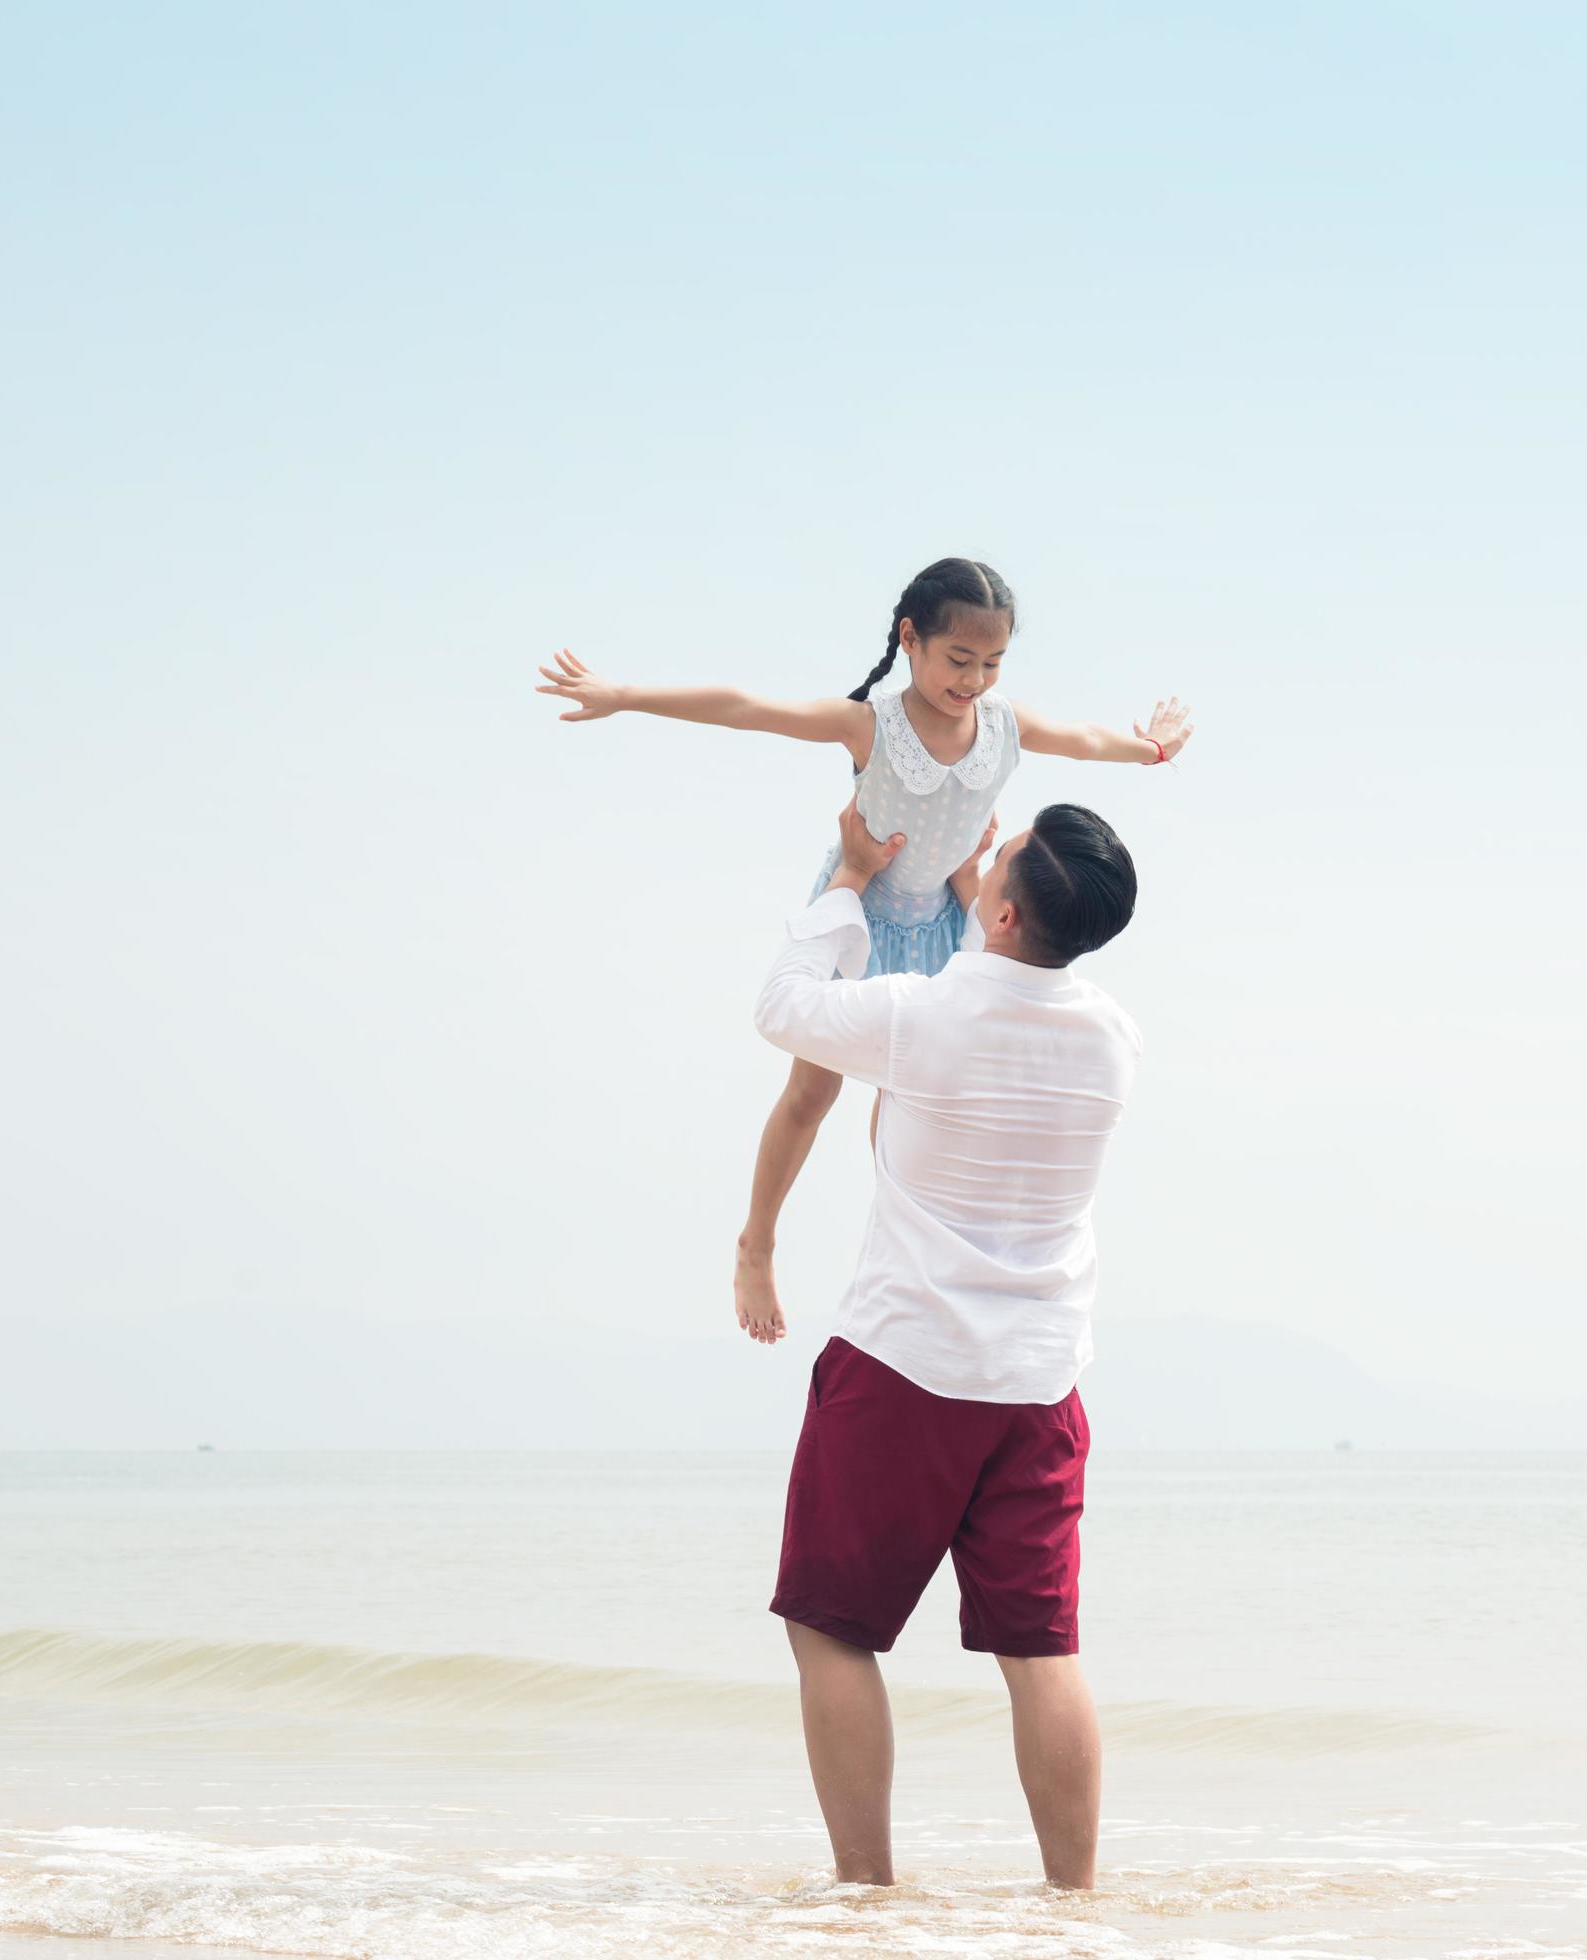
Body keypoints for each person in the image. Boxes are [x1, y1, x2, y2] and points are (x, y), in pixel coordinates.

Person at [534, 557, 1188, 1344]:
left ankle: (918, 1267)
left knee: (911, 1105)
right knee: (813, 1095)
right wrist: (625, 697)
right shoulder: (872, 724)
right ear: (910, 640)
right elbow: (749, 709)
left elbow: (1084, 741)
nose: (975, 679)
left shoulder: (1005, 726)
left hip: (950, 915)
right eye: (958, 659)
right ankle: (758, 1241)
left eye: (992, 663)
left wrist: (1148, 751)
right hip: (863, 907)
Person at [749, 793, 1146, 1891]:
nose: (991, 850)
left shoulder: (916, 1016)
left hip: (905, 1365)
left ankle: (866, 1893)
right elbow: (1010, 967)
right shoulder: (1113, 1037)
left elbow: (780, 1006)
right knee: (1041, 1651)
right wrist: (983, 883)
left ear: (1008, 912)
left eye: (1002, 854)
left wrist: (842, 879)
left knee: (831, 1629)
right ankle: (1073, 1905)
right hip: (1037, 1383)